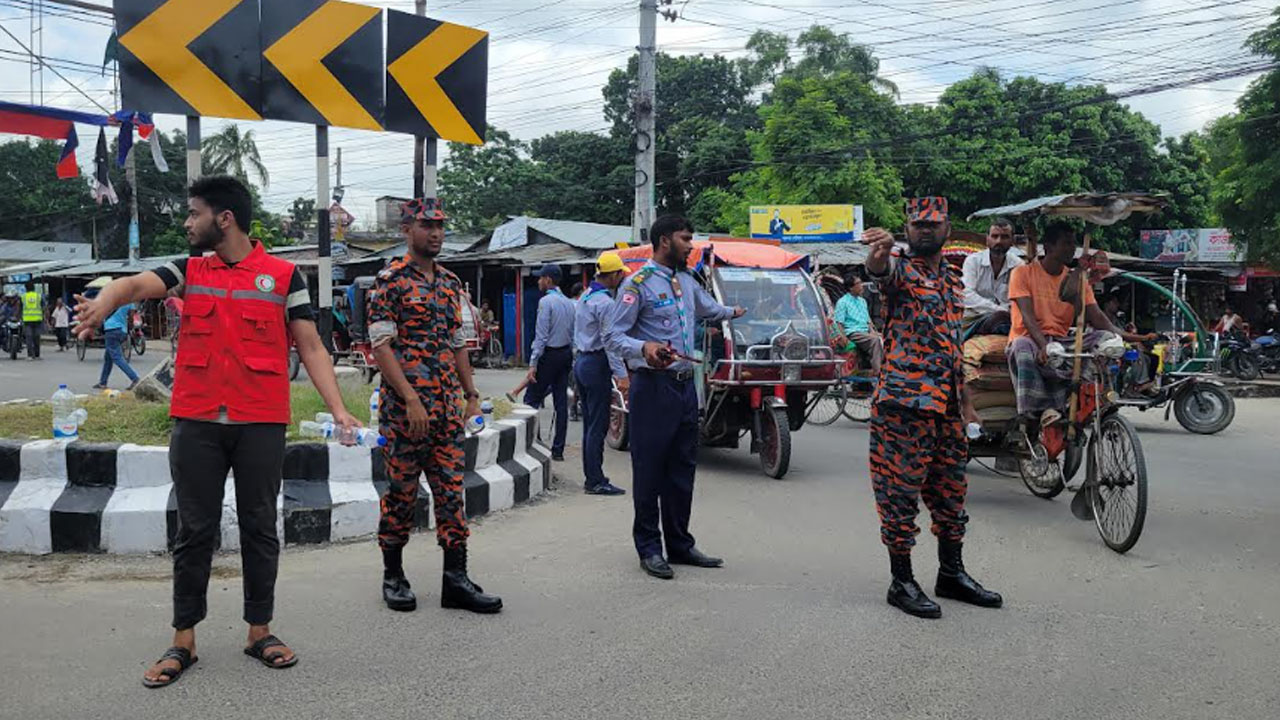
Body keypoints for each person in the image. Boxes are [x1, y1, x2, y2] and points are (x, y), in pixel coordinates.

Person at [73, 175, 361, 689]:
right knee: (194, 531)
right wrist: (106, 301)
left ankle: (259, 631)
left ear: (223, 219)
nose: (187, 223)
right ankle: (183, 640)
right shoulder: (189, 271)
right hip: (197, 422)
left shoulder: (283, 276)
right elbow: (136, 284)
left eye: (193, 213)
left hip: (260, 424)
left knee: (260, 528)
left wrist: (338, 409)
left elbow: (311, 348)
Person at [863, 197, 1002, 620]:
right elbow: (880, 273)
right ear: (906, 227)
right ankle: (901, 580)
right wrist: (879, 255)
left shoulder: (953, 281)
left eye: (933, 223)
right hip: (903, 405)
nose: (924, 229)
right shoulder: (900, 269)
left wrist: (967, 406)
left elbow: (953, 347)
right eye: (917, 223)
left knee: (951, 495)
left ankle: (951, 573)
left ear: (947, 228)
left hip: (945, 408)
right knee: (899, 496)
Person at [369, 198, 501, 615]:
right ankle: (394, 576)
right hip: (406, 414)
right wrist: (410, 398)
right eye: (427, 225)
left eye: (440, 226)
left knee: (451, 495)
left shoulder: (449, 284)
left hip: (445, 412)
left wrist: (471, 394)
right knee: (401, 496)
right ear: (406, 230)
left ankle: (455, 581)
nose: (436, 233)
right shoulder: (389, 281)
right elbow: (381, 345)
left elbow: (458, 343)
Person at [606, 215, 746, 580]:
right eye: (686, 239)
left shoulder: (687, 280)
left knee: (683, 469)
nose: (691, 245)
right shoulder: (637, 284)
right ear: (665, 241)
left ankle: (681, 545)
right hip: (653, 388)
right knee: (650, 470)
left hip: (686, 387)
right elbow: (612, 335)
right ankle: (650, 549)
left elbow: (708, 310)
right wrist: (645, 347)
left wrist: (734, 311)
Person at [1007, 222, 1156, 428]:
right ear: (1048, 247)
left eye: (1073, 243)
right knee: (1021, 348)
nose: (1071, 248)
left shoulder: (1078, 279)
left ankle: (1097, 397)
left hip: (1063, 339)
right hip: (1032, 339)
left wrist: (1132, 339)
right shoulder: (1022, 273)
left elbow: (1100, 320)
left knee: (1104, 340)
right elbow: (1028, 318)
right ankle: (1036, 411)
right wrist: (1045, 346)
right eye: (1066, 243)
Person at [573, 252, 629, 496]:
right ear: (614, 275)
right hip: (596, 364)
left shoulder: (586, 296)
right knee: (598, 425)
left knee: (589, 424)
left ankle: (592, 477)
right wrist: (621, 374)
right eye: (620, 275)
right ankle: (595, 480)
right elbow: (610, 342)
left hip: (582, 361)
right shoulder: (605, 303)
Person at [523, 264, 575, 461]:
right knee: (561, 403)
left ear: (548, 280)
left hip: (549, 355)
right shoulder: (570, 303)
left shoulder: (546, 302)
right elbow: (573, 333)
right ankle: (558, 449)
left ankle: (531, 444)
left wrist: (533, 364)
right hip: (565, 354)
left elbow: (541, 336)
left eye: (540, 278)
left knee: (531, 400)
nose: (538, 281)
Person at [961, 217, 1024, 336]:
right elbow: (966, 294)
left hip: (1007, 317)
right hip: (975, 318)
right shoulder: (973, 261)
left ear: (1012, 241)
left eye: (1005, 237)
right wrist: (996, 309)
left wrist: (1004, 311)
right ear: (987, 239)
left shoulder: (1018, 265)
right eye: (994, 236)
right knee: (999, 320)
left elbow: (1020, 298)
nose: (999, 241)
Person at [833, 274, 883, 374]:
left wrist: (873, 332)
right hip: (853, 332)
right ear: (851, 287)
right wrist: (843, 338)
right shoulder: (842, 302)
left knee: (885, 338)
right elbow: (839, 323)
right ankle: (879, 371)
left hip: (865, 331)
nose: (861, 286)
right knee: (875, 341)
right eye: (858, 283)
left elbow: (868, 321)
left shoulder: (862, 301)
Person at [93, 300, 140, 389]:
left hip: (111, 329)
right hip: (122, 330)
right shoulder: (129, 301)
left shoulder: (111, 298)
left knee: (117, 357)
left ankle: (135, 378)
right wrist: (129, 327)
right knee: (108, 357)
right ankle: (103, 382)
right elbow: (131, 316)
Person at [21, 281, 42, 360]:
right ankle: (37, 355)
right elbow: (43, 306)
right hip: (37, 320)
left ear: (26, 288)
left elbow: (20, 308)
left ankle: (30, 355)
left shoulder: (23, 297)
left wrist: (19, 317)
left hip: (27, 320)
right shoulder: (38, 296)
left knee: (29, 338)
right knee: (36, 337)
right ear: (34, 288)